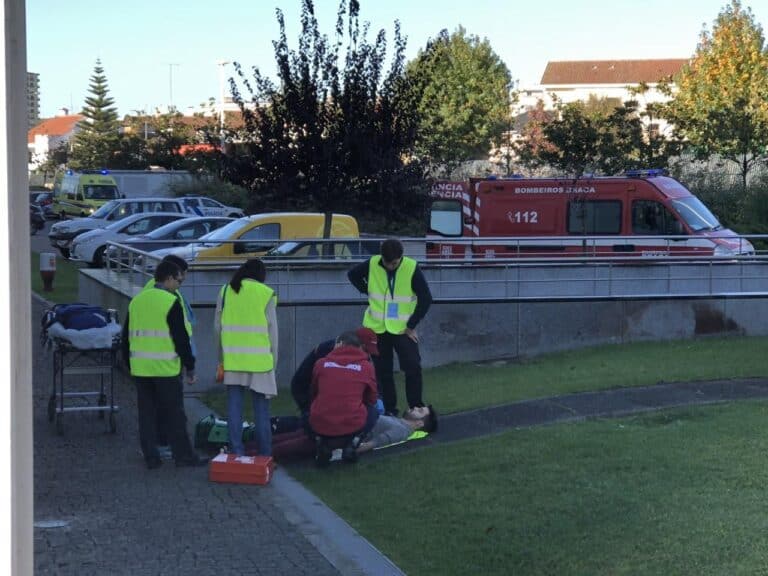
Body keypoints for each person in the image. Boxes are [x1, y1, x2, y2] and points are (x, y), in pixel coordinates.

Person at [121, 259, 208, 469]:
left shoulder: (137, 301)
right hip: (165, 369)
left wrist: (129, 364)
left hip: (141, 370)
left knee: (147, 415)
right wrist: (190, 367)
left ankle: (151, 457)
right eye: (178, 281)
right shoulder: (170, 302)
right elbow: (180, 339)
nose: (179, 285)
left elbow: (125, 338)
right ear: (168, 278)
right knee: (175, 414)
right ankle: (184, 456)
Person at [348, 237, 433, 416]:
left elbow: (426, 298)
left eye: (394, 263)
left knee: (412, 366)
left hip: (402, 328)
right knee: (382, 371)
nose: (390, 266)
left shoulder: (410, 267)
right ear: (382, 257)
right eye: (388, 263)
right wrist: (366, 290)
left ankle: (415, 406)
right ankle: (389, 410)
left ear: (400, 258)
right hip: (377, 327)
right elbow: (352, 275)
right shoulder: (372, 263)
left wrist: (411, 325)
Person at [215, 258, 277, 456]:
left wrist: (221, 358)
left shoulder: (225, 291)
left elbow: (217, 328)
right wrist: (273, 362)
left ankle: (236, 452)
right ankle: (265, 455)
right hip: (260, 362)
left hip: (233, 360)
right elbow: (273, 332)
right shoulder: (266, 293)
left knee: (234, 409)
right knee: (261, 412)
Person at [143, 254, 195, 459]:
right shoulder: (163, 293)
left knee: (156, 407)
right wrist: (189, 363)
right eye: (181, 278)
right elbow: (175, 329)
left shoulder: (158, 289)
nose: (182, 283)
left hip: (158, 357)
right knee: (169, 408)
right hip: (164, 358)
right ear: (173, 275)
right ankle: (172, 448)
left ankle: (158, 447)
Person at [310, 331, 379, 466]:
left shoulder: (321, 363)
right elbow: (372, 399)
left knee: (315, 408)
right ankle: (353, 444)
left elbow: (313, 392)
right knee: (373, 411)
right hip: (352, 424)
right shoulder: (366, 367)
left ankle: (321, 442)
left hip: (320, 423)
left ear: (340, 344)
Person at [356, 405, 438, 455]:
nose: (415, 407)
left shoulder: (401, 430)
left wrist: (347, 453)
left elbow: (372, 444)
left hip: (352, 427)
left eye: (420, 411)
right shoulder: (399, 422)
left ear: (420, 423)